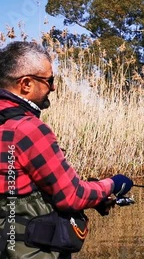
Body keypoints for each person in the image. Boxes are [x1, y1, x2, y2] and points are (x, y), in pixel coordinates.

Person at [0, 41, 133, 258]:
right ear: (26, 84)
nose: (53, 88)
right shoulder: (28, 129)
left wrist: (97, 198)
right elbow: (72, 196)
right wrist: (113, 184)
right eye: (49, 81)